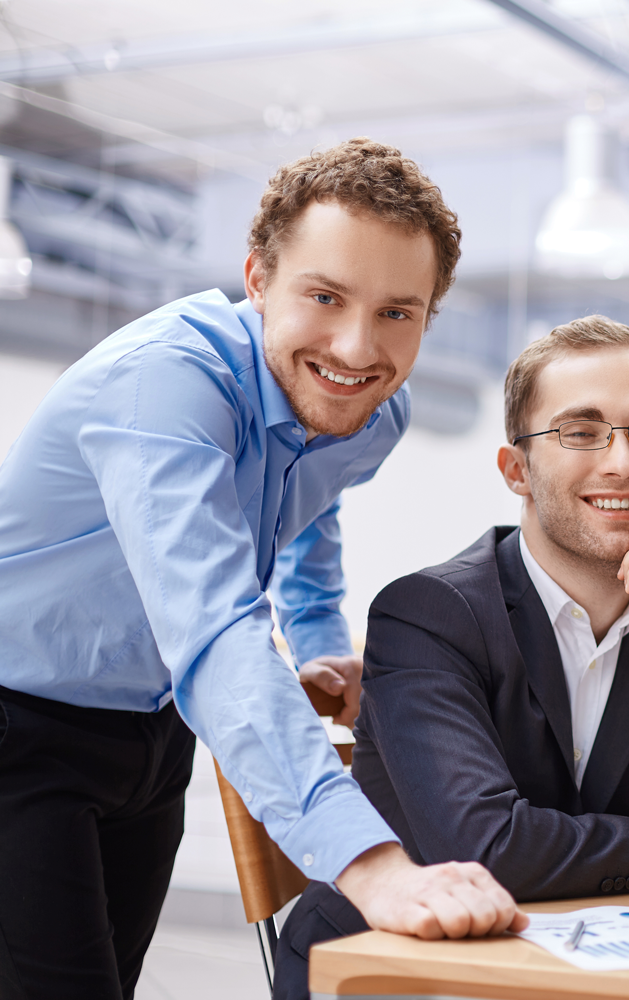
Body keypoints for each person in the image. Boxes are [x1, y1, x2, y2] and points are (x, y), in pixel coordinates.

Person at [0, 139, 526, 1000]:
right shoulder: (165, 388)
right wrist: (375, 867)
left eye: (399, 312)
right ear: (257, 278)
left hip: (151, 728)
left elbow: (313, 498)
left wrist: (319, 635)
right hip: (19, 726)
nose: (358, 349)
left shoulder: (372, 412)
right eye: (325, 296)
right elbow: (216, 632)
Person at [273, 317, 629, 998]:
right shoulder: (427, 615)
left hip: (580, 970)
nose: (623, 461)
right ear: (516, 470)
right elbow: (488, 849)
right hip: (391, 974)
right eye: (580, 432)